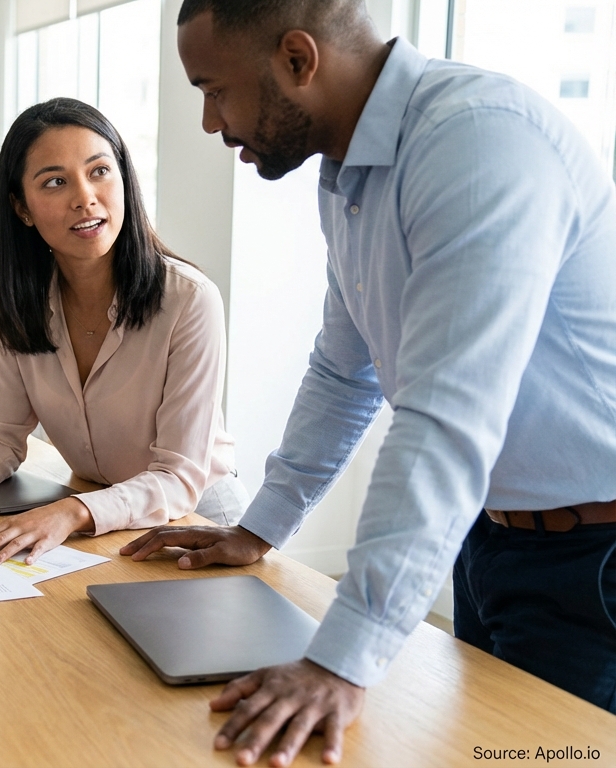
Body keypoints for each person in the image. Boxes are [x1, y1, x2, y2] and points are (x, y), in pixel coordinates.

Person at [122, 1, 616, 765]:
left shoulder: (477, 144)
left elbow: (445, 415)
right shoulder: (346, 174)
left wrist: (340, 659)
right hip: (493, 540)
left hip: (597, 563)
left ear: (297, 59)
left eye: (214, 89)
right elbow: (345, 370)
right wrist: (260, 528)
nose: (210, 123)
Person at [0, 98, 246, 566]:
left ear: (125, 181)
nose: (84, 197)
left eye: (99, 171)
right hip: (99, 520)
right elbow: (1, 433)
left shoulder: (189, 300)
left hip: (196, 523)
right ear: (22, 208)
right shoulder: (19, 299)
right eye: (55, 181)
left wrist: (70, 513)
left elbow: (178, 476)